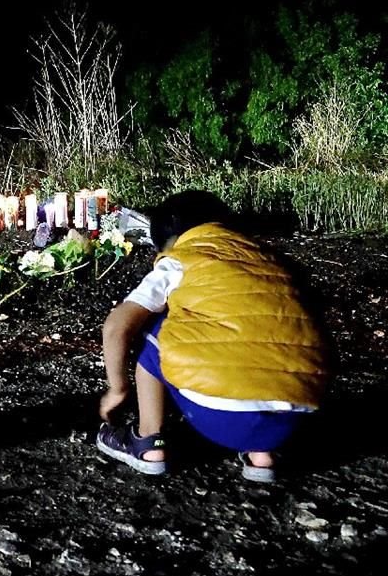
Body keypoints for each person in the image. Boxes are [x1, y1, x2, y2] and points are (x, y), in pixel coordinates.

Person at [96, 190, 329, 482]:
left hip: (222, 418)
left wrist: (117, 389)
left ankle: (147, 442)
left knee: (151, 325)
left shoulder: (180, 260)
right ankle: (261, 454)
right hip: (294, 418)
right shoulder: (272, 260)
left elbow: (117, 326)